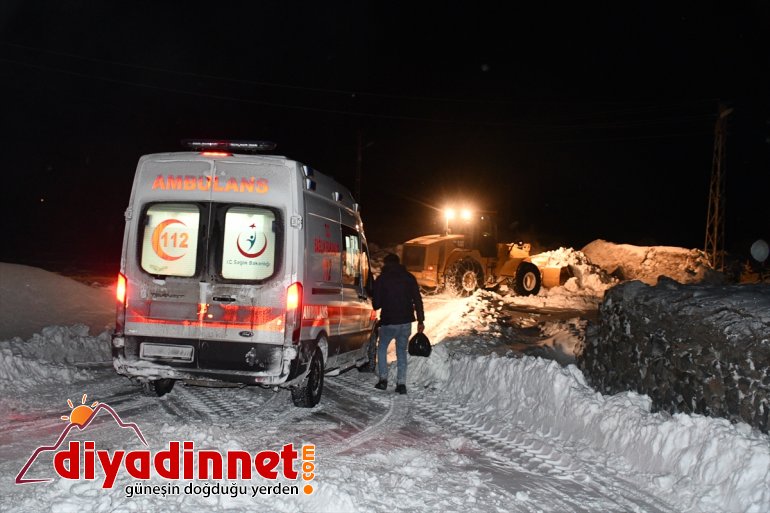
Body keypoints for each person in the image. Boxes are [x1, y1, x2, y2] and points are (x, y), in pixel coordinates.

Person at [372, 252, 425, 394]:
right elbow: (418, 300)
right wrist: (421, 320)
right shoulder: (409, 278)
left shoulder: (382, 279)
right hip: (405, 322)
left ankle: (383, 380)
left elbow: (376, 305)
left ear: (386, 264)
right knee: (401, 351)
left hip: (389, 321)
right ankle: (401, 384)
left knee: (382, 348)